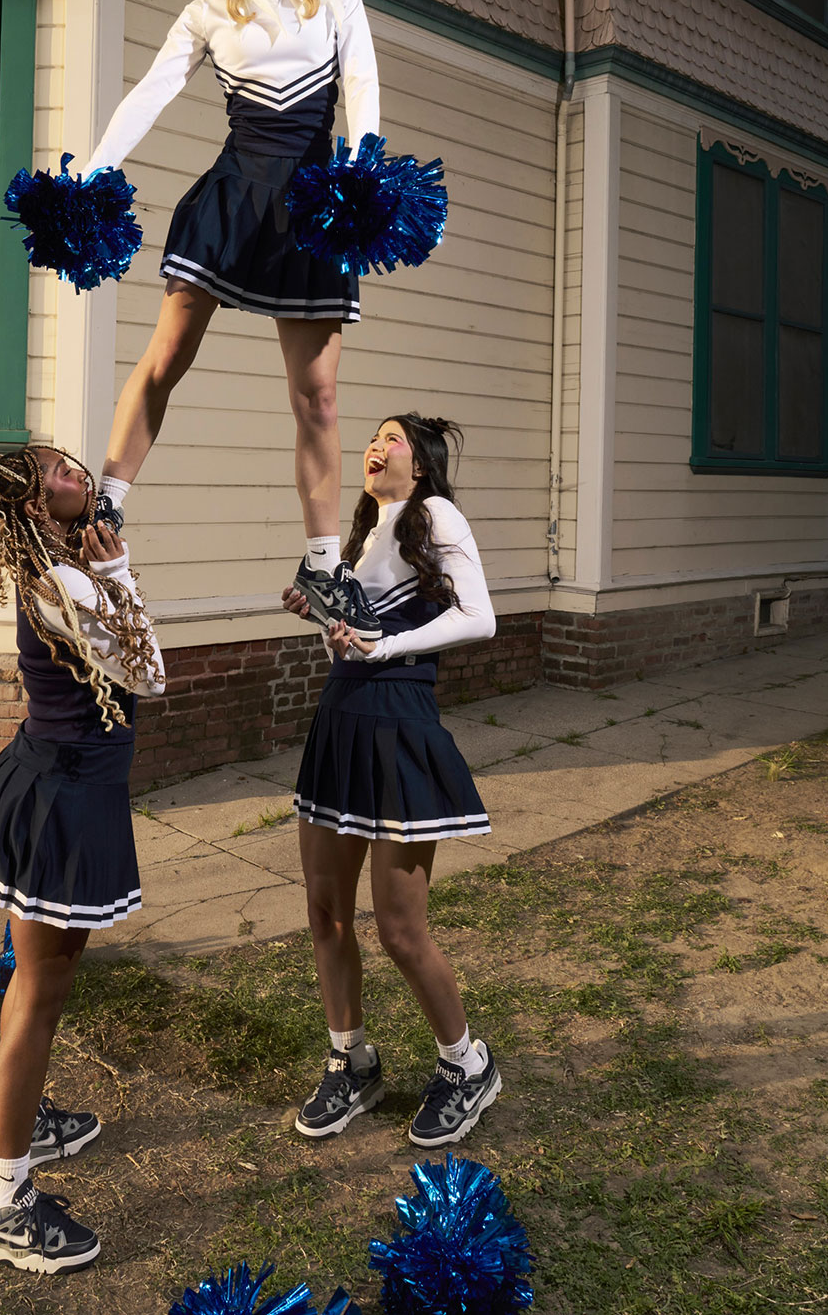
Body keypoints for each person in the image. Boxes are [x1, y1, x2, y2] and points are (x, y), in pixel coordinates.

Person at [80, 0, 382, 638]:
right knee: (168, 355)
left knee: (318, 397)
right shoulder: (206, 14)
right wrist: (92, 173)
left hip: (311, 206)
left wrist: (360, 171)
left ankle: (323, 566)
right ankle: (104, 505)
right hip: (233, 194)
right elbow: (149, 95)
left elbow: (361, 87)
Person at [0, 435, 165, 1272]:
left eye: (71, 462)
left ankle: (22, 1121)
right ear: (36, 506)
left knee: (41, 983)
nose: (79, 473)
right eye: (59, 474)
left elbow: (137, 425)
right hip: (60, 798)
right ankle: (1, 1203)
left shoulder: (62, 559)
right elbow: (151, 675)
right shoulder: (67, 581)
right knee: (39, 992)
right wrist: (120, 571)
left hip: (61, 784)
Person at [281, 413, 502, 1147]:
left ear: (423, 463)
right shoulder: (360, 534)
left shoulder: (435, 515)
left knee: (401, 930)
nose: (376, 447)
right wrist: (324, 616)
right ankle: (351, 1063)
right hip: (340, 721)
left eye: (393, 439)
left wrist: (388, 646)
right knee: (325, 913)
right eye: (373, 438)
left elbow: (480, 617)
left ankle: (467, 1065)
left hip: (400, 723)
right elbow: (349, 646)